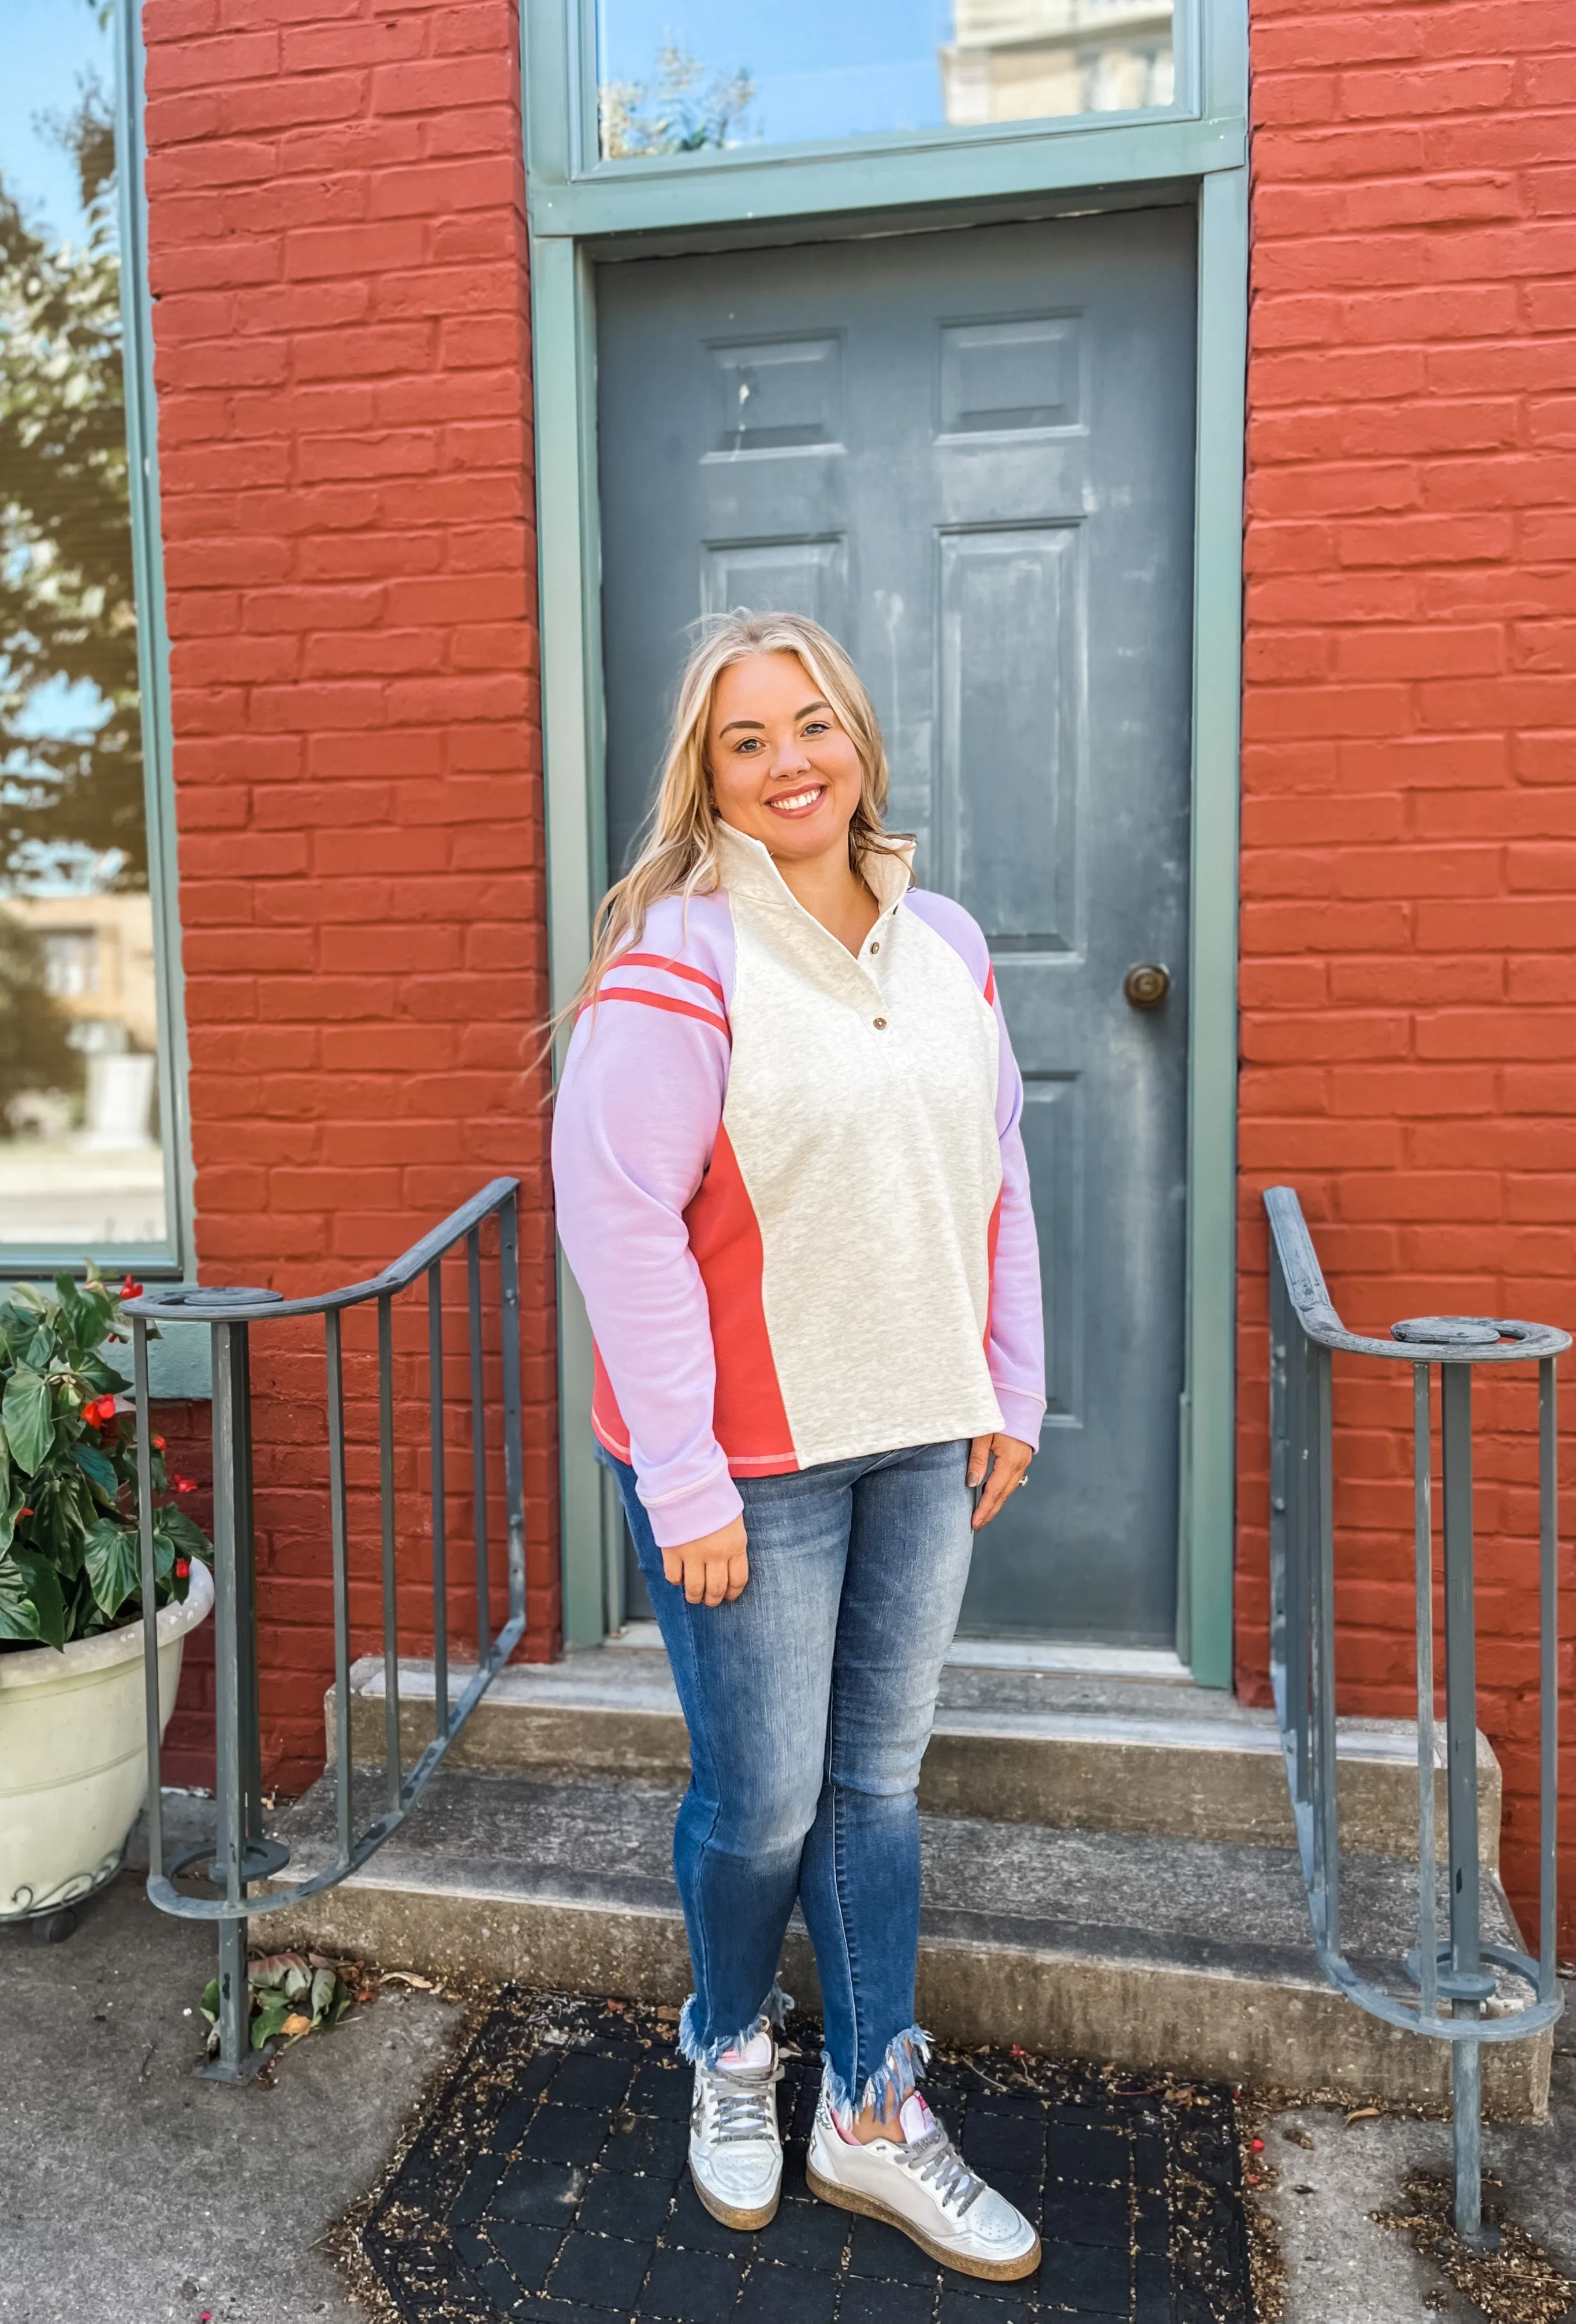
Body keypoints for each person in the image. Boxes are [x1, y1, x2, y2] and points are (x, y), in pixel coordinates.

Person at [551, 609, 1046, 2282]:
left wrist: (1010, 1389)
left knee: (878, 1790)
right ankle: (731, 2046)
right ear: (706, 771)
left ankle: (873, 2110)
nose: (790, 764)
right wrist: (681, 1478)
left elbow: (996, 1179)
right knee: (763, 1799)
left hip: (919, 1434)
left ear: (861, 741)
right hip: (748, 1467)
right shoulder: (683, 955)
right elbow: (617, 1217)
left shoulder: (950, 942)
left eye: (812, 724)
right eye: (747, 739)